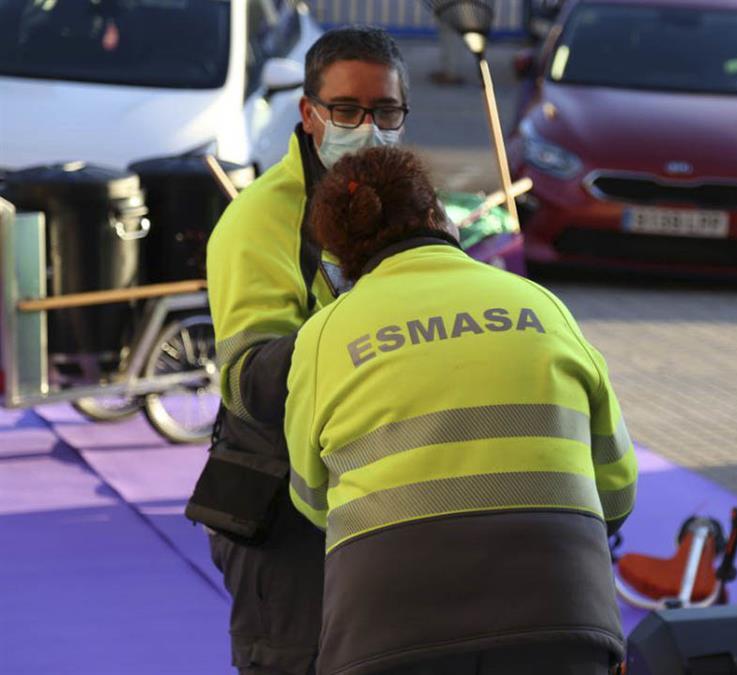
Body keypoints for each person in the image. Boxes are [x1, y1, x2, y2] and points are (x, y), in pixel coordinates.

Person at [285, 146, 638, 675]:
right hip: (562, 610)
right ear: (437, 215)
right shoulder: (541, 304)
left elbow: (312, 499)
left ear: (338, 254)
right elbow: (616, 485)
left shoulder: (323, 335)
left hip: (388, 626)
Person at [201, 26, 410, 674]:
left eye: (386, 111)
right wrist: (367, 330)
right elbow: (249, 381)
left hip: (376, 492)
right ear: (309, 114)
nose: (368, 127)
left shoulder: (408, 205)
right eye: (347, 110)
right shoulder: (259, 220)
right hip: (278, 503)